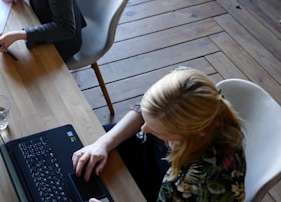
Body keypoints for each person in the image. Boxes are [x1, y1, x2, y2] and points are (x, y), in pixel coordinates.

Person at [72, 68, 246, 202]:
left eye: (156, 129)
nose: (144, 128)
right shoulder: (183, 83)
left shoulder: (215, 181)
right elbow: (145, 110)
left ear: (189, 133)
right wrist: (104, 142)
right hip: (147, 156)